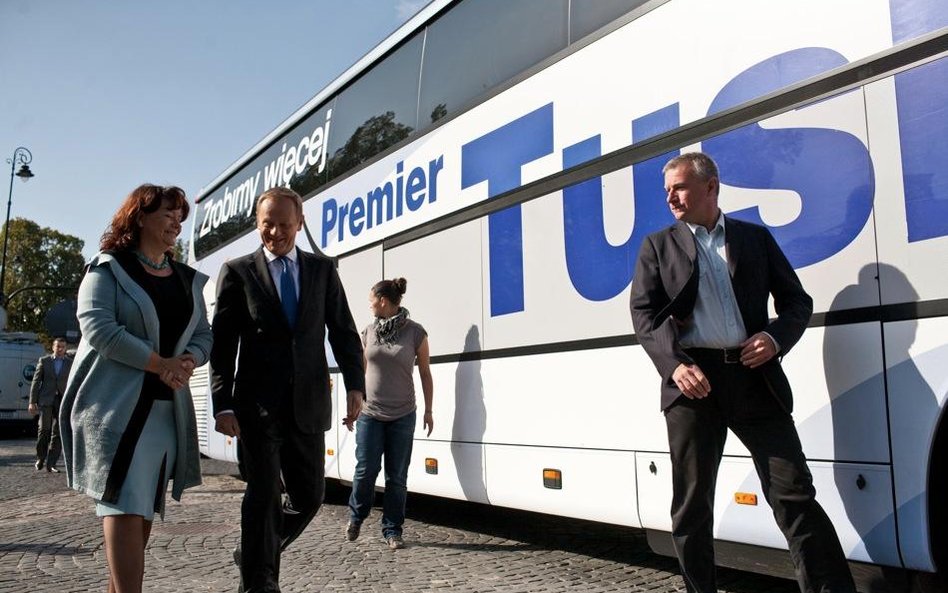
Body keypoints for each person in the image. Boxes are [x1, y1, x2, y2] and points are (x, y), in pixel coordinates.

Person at [629, 152, 855, 593]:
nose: (670, 198)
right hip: (694, 384)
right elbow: (644, 315)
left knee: (794, 494)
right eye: (667, 191)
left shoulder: (755, 238)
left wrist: (774, 339)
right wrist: (675, 365)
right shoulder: (658, 246)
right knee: (693, 507)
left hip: (755, 379)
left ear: (710, 186)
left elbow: (796, 303)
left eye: (679, 187)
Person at [210, 186, 365, 593]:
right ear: (257, 224)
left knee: (311, 495)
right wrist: (221, 404)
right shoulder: (238, 271)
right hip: (256, 407)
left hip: (309, 402)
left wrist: (356, 385)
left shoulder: (322, 270)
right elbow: (223, 346)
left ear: (299, 223)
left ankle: (254, 553)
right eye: (267, 224)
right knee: (262, 494)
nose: (275, 232)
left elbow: (345, 332)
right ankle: (261, 583)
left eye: (283, 224)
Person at [59, 184, 213, 593]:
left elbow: (204, 335)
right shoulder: (108, 268)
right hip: (116, 412)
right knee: (123, 506)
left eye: (180, 216)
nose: (176, 223)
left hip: (165, 416)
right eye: (167, 214)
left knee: (139, 512)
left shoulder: (186, 280)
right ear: (139, 217)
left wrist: (187, 362)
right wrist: (159, 363)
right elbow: (100, 329)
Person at [346, 278, 433, 550]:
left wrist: (429, 410)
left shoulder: (416, 333)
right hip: (371, 413)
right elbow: (358, 373)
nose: (369, 304)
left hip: (403, 414)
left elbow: (425, 373)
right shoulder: (368, 332)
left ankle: (392, 530)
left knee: (397, 477)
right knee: (365, 470)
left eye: (371, 299)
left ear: (383, 301)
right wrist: (353, 408)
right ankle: (356, 516)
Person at [28, 336, 72, 473]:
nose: (59, 349)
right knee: (44, 429)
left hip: (62, 400)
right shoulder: (44, 361)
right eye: (57, 346)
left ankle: (52, 463)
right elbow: (36, 382)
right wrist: (32, 402)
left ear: (65, 349)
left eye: (62, 347)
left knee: (58, 432)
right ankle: (41, 457)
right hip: (46, 400)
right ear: (53, 347)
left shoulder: (70, 363)